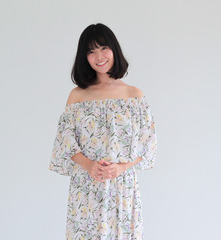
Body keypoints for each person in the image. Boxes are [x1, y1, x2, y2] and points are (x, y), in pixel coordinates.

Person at [49, 23, 157, 239]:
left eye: (103, 47)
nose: (99, 56)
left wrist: (121, 167)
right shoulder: (77, 96)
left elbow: (147, 144)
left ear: (114, 49)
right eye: (91, 51)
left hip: (123, 188)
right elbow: (65, 141)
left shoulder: (133, 95)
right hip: (86, 187)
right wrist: (89, 165)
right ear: (84, 57)